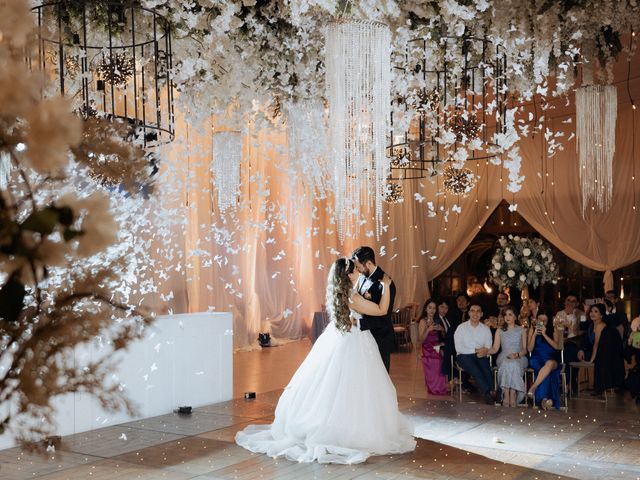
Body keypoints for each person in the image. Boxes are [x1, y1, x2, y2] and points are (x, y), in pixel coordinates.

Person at [235, 258, 416, 464]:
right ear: (348, 275)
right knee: (353, 385)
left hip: (339, 337)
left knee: (333, 383)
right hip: (355, 342)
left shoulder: (341, 294)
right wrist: (386, 285)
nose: (359, 272)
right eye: (355, 270)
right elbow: (382, 310)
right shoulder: (353, 296)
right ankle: (347, 429)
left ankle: (334, 422)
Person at [352, 246, 396, 372]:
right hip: (365, 337)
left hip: (380, 339)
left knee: (380, 378)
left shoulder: (386, 283)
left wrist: (359, 323)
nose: (358, 270)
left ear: (369, 263)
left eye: (359, 266)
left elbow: (384, 317)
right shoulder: (362, 278)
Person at [454, 303, 495, 404]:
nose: (475, 313)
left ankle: (489, 392)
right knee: (475, 368)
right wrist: (475, 350)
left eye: (478, 311)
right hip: (464, 356)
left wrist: (482, 351)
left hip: (481, 354)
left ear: (481, 314)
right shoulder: (461, 328)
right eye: (472, 311)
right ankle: (488, 392)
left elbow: (488, 346)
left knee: (485, 366)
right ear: (469, 313)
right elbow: (459, 348)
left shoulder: (486, 329)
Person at [488, 306, 528, 407]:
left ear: (515, 316)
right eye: (505, 315)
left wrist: (517, 354)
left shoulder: (522, 330)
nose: (507, 317)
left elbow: (525, 349)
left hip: (519, 356)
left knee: (513, 364)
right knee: (506, 363)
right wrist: (486, 351)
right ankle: (506, 393)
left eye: (510, 314)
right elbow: (495, 348)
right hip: (504, 356)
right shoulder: (499, 330)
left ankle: (513, 393)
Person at [586, 303, 625, 395]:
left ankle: (600, 388)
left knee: (600, 359)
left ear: (601, 315)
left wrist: (592, 359)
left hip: (608, 352)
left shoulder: (600, 325)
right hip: (604, 350)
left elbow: (596, 344)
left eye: (596, 311)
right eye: (591, 311)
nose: (592, 313)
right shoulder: (592, 325)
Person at [527, 312, 563, 410]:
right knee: (546, 372)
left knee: (549, 365)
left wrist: (544, 334)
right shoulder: (532, 329)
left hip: (551, 358)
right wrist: (534, 335)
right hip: (536, 359)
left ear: (548, 321)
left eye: (544, 320)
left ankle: (533, 387)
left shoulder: (553, 330)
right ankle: (544, 401)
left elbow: (557, 347)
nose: (541, 322)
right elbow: (529, 349)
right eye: (540, 320)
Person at [417, 299, 448, 395]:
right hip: (427, 348)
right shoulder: (423, 321)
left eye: (434, 308)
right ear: (426, 309)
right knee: (435, 361)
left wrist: (442, 329)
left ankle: (442, 387)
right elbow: (421, 340)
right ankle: (434, 387)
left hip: (437, 347)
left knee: (441, 360)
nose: (432, 310)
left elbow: (442, 336)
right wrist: (428, 329)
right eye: (430, 308)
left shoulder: (437, 320)